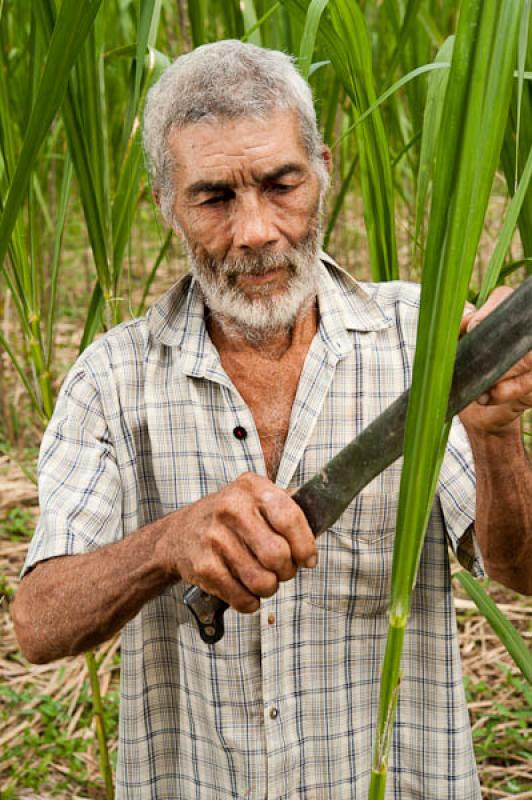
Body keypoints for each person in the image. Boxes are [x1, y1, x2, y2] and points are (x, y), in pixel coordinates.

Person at [12, 40, 532, 800]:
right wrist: (168, 544)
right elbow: (37, 621)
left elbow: (521, 570)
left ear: (321, 169)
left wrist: (495, 440)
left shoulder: (423, 343)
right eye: (214, 197)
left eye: (281, 184)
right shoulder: (112, 378)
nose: (255, 230)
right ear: (165, 202)